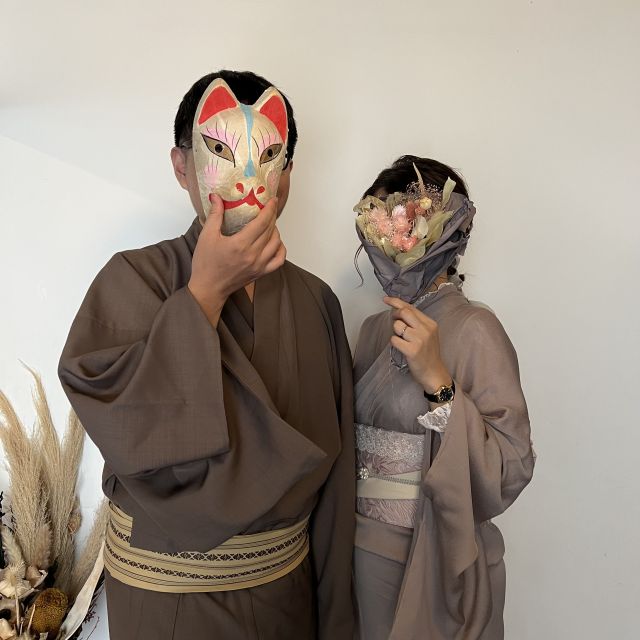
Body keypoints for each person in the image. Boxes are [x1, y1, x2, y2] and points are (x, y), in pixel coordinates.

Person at [58, 70, 355, 640]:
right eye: (220, 153)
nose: (248, 179)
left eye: (269, 158)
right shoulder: (132, 280)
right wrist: (205, 295)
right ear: (181, 166)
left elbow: (339, 485)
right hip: (166, 607)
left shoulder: (317, 301)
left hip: (286, 600)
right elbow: (129, 428)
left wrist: (337, 613)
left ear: (288, 175)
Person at [352, 155, 535, 639]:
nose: (393, 241)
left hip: (433, 552)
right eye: (381, 225)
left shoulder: (476, 328)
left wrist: (438, 380)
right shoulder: (371, 330)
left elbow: (512, 466)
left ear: (443, 233)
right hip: (364, 550)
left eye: (405, 225)